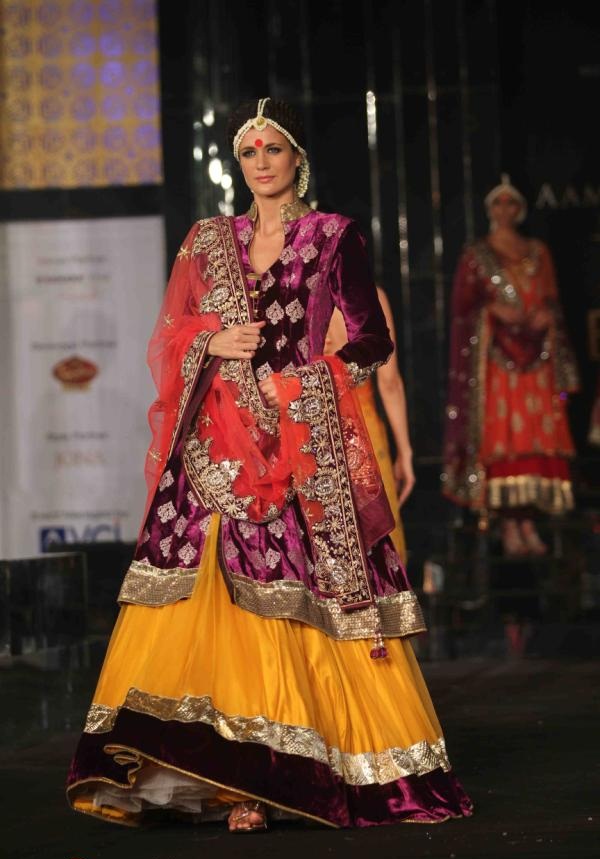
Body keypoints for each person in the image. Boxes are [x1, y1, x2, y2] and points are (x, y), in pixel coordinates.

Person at [67, 97, 473, 831]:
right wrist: (209, 344)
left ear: (297, 159)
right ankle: (234, 782)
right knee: (214, 601)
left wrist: (308, 383)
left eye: (273, 149)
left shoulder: (332, 237)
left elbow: (372, 340)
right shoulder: (208, 240)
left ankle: (290, 771)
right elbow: (173, 332)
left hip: (298, 446)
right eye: (248, 152)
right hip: (218, 448)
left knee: (290, 599)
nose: (260, 163)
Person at [443, 175, 579, 555]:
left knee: (536, 433)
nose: (505, 210)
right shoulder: (476, 255)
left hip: (538, 358)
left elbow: (551, 298)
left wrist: (548, 316)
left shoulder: (538, 251)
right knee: (504, 436)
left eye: (511, 203)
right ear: (490, 210)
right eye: (498, 203)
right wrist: (491, 311)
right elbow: (462, 309)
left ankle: (529, 524)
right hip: (497, 359)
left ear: (521, 209)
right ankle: (508, 527)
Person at [325, 287, 415, 563]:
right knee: (375, 540)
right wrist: (405, 452)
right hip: (363, 429)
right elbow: (389, 382)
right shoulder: (370, 294)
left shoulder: (299, 287)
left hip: (310, 424)